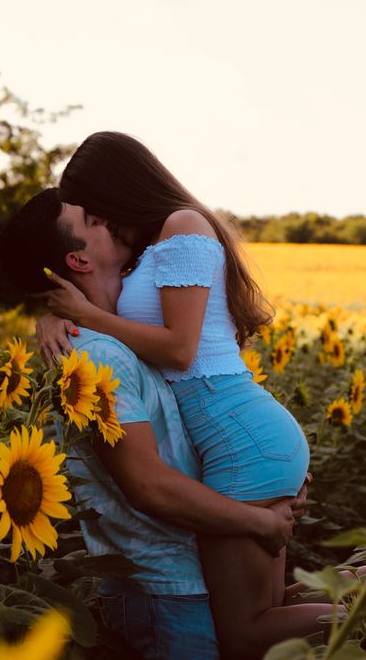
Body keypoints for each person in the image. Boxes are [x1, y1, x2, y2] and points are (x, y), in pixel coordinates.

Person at [35, 132, 333, 659]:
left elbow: (178, 349)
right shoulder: (147, 252)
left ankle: (354, 609)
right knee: (267, 616)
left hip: (238, 438)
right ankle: (350, 593)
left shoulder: (184, 226)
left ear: (117, 189)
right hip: (229, 438)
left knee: (244, 633)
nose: (99, 223)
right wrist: (57, 314)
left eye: (96, 210)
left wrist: (85, 315)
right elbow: (104, 301)